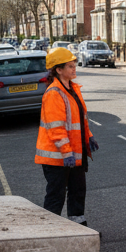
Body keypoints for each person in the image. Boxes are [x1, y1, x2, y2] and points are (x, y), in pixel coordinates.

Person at [34, 47, 98, 226]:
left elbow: (78, 120)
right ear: (58, 70)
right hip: (58, 157)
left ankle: (78, 227)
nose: (74, 68)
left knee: (78, 191)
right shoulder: (54, 93)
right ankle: (51, 231)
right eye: (69, 66)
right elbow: (56, 128)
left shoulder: (72, 88)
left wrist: (89, 136)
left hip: (74, 154)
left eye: (74, 65)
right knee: (56, 195)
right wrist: (66, 152)